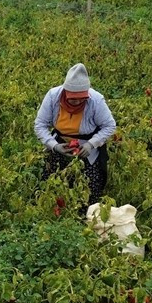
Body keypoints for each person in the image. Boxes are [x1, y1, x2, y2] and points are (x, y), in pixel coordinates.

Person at [33, 63, 117, 212]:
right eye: (73, 99)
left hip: (86, 146)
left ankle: (84, 215)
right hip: (60, 143)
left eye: (81, 98)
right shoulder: (53, 96)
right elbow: (40, 124)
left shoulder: (96, 100)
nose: (77, 102)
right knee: (52, 182)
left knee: (89, 185)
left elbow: (109, 126)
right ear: (65, 92)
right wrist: (54, 145)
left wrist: (91, 144)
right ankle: (53, 213)